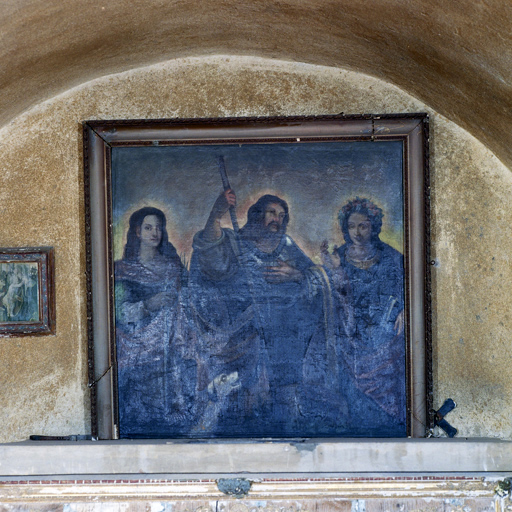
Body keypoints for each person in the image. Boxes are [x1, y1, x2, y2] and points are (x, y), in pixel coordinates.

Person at [189, 190, 344, 437]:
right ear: (256, 214)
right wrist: (215, 215)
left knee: (283, 408)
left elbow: (316, 280)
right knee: (240, 404)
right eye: (272, 213)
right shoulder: (235, 244)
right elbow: (209, 257)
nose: (277, 219)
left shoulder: (287, 246)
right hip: (242, 339)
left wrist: (296, 275)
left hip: (284, 344)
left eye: (282, 215)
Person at [321, 197, 407, 434]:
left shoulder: (391, 257)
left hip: (385, 339)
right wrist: (334, 270)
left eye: (363, 226)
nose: (357, 232)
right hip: (349, 339)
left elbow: (409, 288)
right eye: (351, 226)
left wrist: (406, 309)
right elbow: (328, 297)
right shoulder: (336, 257)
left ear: (374, 226)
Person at [114, 206, 194, 437]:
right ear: (137, 232)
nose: (154, 233)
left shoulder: (173, 267)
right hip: (138, 350)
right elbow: (119, 314)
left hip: (173, 345)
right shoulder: (122, 270)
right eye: (148, 227)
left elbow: (189, 301)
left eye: (158, 228)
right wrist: (150, 304)